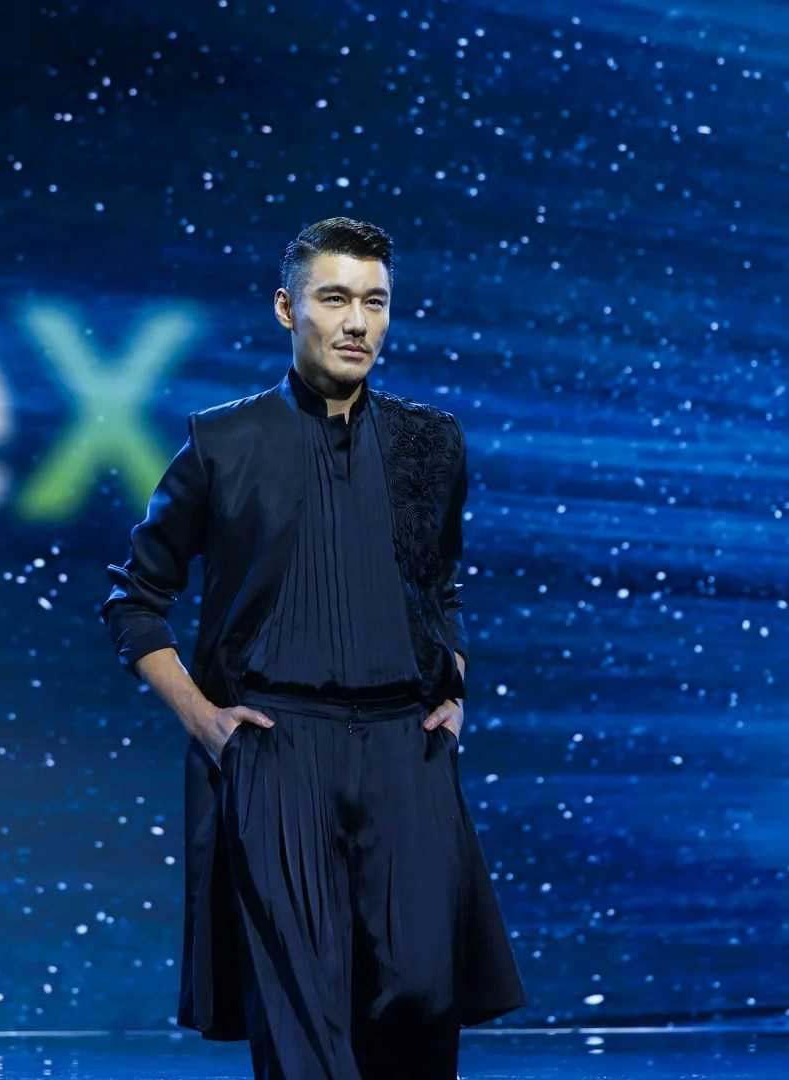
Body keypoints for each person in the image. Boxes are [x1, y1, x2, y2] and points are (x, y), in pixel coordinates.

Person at [100, 217, 527, 1079]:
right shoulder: (224, 441)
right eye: (335, 299)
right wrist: (207, 723)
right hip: (278, 750)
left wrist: (455, 686)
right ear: (287, 308)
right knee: (302, 1022)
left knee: (420, 999)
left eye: (376, 301)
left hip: (406, 751)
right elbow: (135, 600)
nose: (358, 322)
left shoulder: (430, 442)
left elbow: (441, 583)